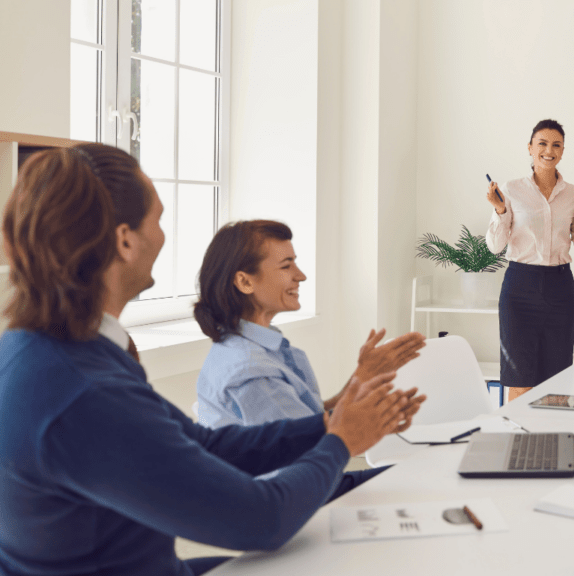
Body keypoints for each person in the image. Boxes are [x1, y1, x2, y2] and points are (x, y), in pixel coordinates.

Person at [0, 143, 412, 576]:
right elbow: (261, 521)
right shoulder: (84, 392)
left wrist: (328, 425)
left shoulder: (41, 346)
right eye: (157, 219)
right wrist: (341, 442)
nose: (163, 235)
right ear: (125, 240)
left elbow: (204, 445)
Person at [193, 219, 426, 430]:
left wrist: (363, 378)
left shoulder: (258, 349)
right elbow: (308, 445)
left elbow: (312, 419)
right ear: (244, 281)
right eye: (286, 266)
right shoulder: (251, 372)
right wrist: (374, 417)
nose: (301, 275)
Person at [485, 119, 574, 401]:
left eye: (556, 145)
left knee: (557, 382)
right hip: (519, 288)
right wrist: (499, 211)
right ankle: (520, 441)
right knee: (520, 383)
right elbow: (495, 246)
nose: (549, 150)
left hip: (559, 290)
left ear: (563, 150)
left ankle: (550, 443)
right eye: (542, 143)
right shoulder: (512, 189)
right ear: (530, 148)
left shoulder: (573, 195)